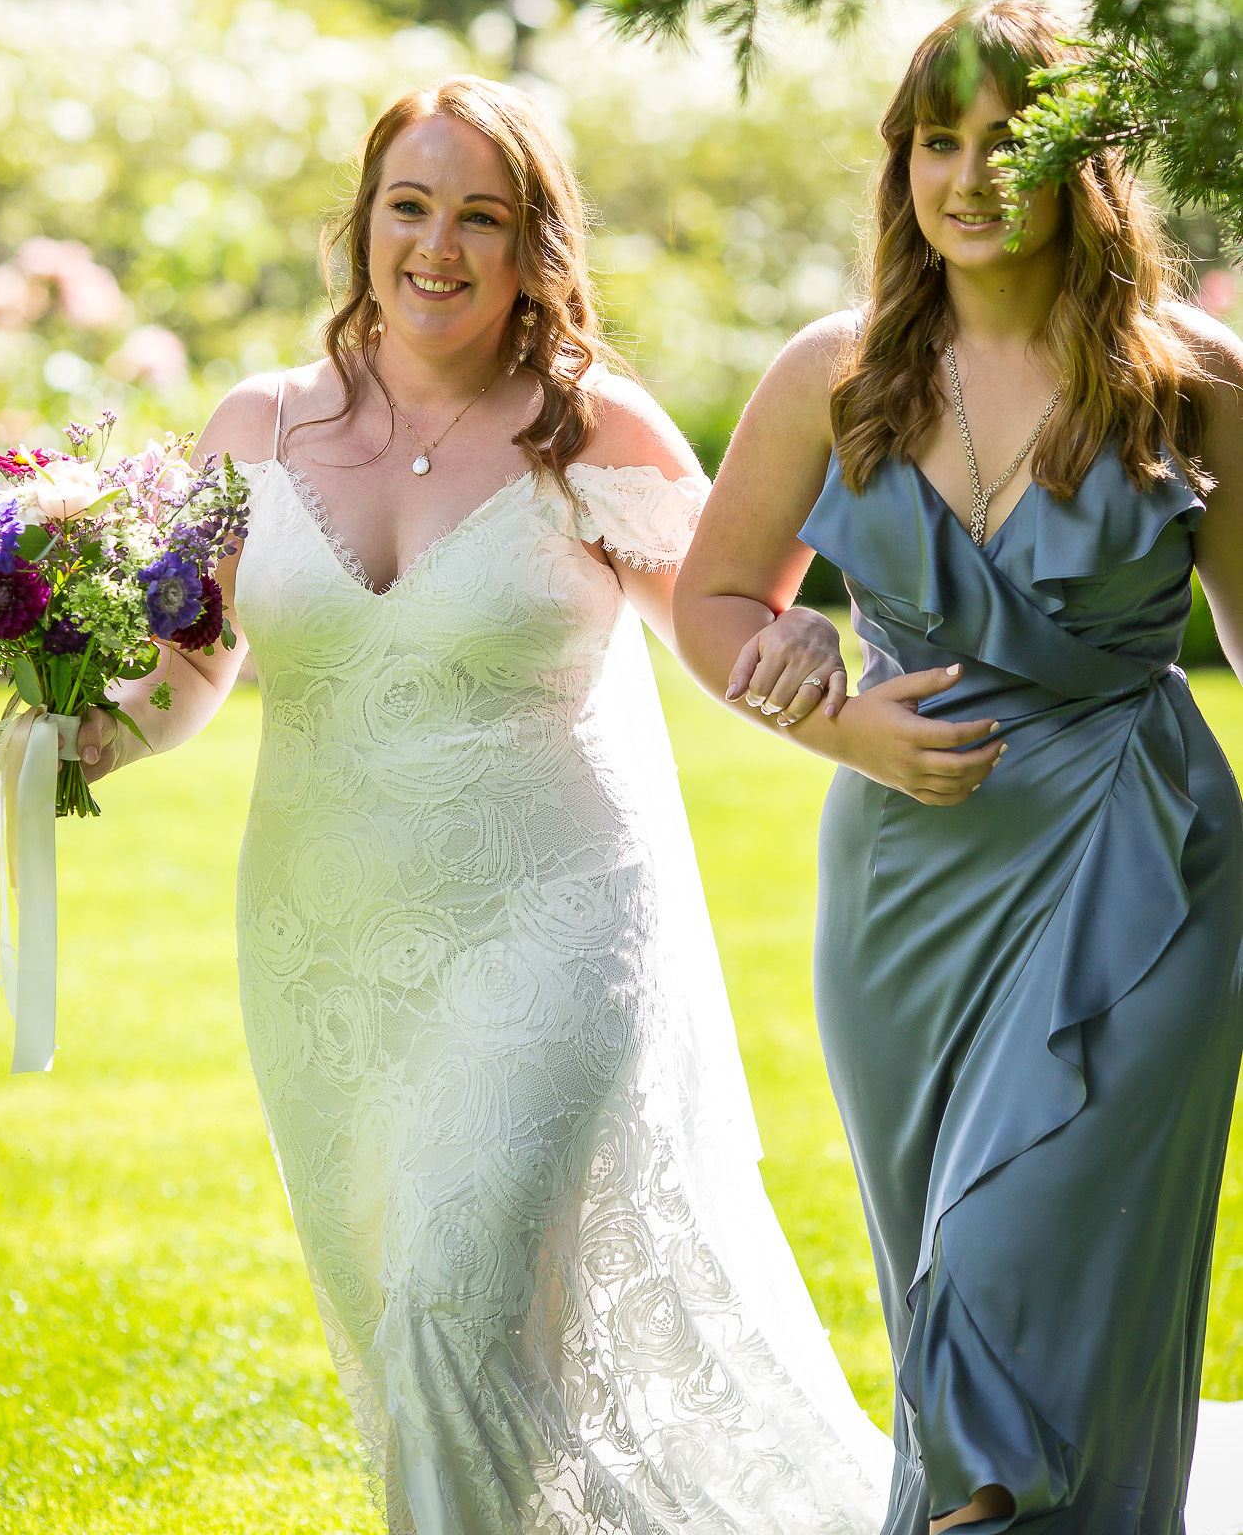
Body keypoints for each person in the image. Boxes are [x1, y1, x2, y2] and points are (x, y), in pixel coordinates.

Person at [72, 75, 894, 1535]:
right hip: (323, 959)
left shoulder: (595, 431)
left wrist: (817, 667)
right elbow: (187, 668)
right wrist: (72, 741)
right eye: (408, 206)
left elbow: (718, 621)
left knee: (451, 1306)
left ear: (534, 248)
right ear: (362, 225)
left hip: (550, 932)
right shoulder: (252, 427)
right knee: (415, 1338)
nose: (435, 246)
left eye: (479, 216)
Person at [673, 0, 1243, 1534]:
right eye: (938, 141)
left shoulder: (1189, 380)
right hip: (906, 893)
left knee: (1017, 1263)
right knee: (932, 1253)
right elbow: (715, 600)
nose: (970, 176)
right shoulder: (833, 374)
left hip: (1147, 873)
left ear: (1084, 170)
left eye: (1011, 141)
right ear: (899, 165)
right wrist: (831, 718)